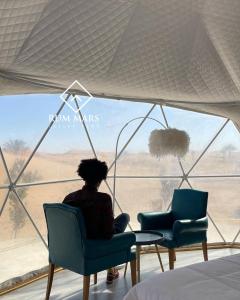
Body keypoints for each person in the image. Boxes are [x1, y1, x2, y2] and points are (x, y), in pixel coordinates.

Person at [63, 158, 130, 284]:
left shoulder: (69, 198)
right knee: (125, 217)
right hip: (97, 242)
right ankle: (112, 269)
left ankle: (112, 269)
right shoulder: (104, 199)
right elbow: (108, 234)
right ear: (100, 179)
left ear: (83, 176)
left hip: (75, 245)